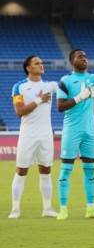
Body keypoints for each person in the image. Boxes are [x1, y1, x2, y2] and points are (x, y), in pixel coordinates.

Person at [56, 49, 94, 220]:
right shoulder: (66, 80)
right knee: (65, 170)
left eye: (85, 56)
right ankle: (63, 209)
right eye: (80, 56)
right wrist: (81, 97)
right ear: (72, 61)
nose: (84, 59)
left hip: (90, 131)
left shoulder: (93, 78)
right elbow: (60, 106)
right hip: (72, 130)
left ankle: (91, 209)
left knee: (91, 169)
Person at [9, 56, 59, 219]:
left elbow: (67, 88)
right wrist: (39, 99)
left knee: (46, 171)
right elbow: (19, 111)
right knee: (21, 170)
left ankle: (47, 208)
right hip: (28, 134)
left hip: (46, 135)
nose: (41, 65)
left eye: (42, 63)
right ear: (28, 68)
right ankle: (15, 209)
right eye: (37, 63)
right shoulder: (19, 87)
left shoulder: (50, 86)